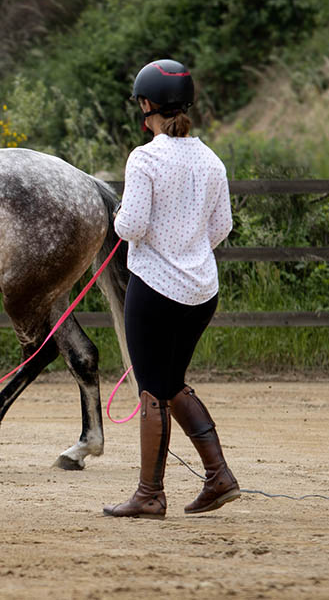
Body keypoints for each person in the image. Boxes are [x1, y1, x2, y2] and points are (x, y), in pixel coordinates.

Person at [103, 59, 240, 519]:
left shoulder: (145, 158)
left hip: (155, 288)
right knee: (171, 382)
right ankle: (219, 476)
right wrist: (188, 244)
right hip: (201, 290)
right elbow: (222, 227)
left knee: (152, 390)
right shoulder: (211, 159)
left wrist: (125, 219)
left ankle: (149, 494)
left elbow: (130, 225)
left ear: (147, 105)